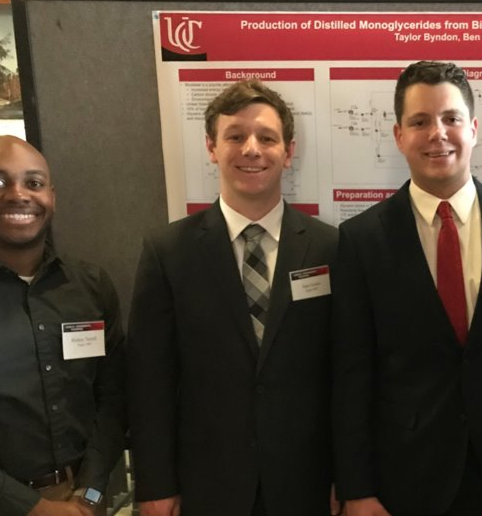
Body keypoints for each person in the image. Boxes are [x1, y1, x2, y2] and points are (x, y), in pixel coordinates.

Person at [331, 60, 482, 516]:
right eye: (420, 121)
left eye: (451, 118)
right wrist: (357, 488)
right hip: (402, 479)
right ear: (398, 136)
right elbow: (352, 373)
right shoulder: (361, 239)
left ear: (472, 128)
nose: (438, 133)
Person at [127, 80, 338, 516]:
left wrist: (349, 477)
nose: (252, 149)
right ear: (211, 147)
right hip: (206, 486)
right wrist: (155, 485)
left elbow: (345, 374)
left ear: (288, 150)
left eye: (267, 137)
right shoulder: (168, 252)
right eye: (235, 136)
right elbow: (151, 381)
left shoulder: (330, 249)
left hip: (308, 484)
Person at [0, 136, 126, 516]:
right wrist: (30, 507)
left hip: (81, 500)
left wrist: (91, 494)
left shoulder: (90, 286)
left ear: (52, 196)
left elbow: (114, 397)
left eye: (33, 183)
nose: (18, 195)